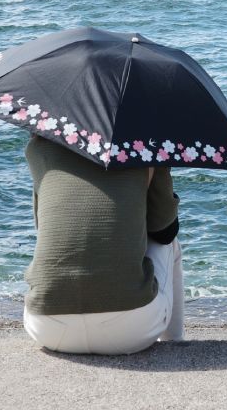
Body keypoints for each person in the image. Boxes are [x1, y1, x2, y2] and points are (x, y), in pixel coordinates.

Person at [21, 133, 184, 354]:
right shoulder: (146, 143)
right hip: (131, 331)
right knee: (169, 245)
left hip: (47, 327)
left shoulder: (41, 145)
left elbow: (44, 225)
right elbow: (164, 231)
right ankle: (176, 344)